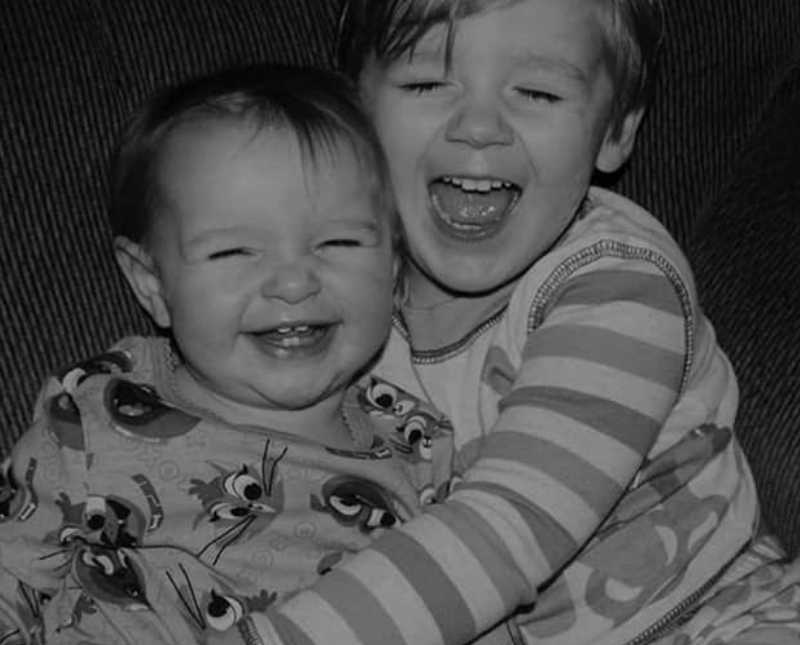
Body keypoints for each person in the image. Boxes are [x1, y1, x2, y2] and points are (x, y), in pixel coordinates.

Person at [224, 1, 800, 644]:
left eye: (536, 90)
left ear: (615, 131)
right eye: (425, 83)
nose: (477, 126)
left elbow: (507, 529)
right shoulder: (332, 295)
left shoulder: (618, 284)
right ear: (354, 115)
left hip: (728, 621)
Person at [0, 64, 459, 644]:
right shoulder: (98, 413)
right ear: (152, 285)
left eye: (338, 242)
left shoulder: (420, 445)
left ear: (393, 264)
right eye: (236, 251)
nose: (293, 283)